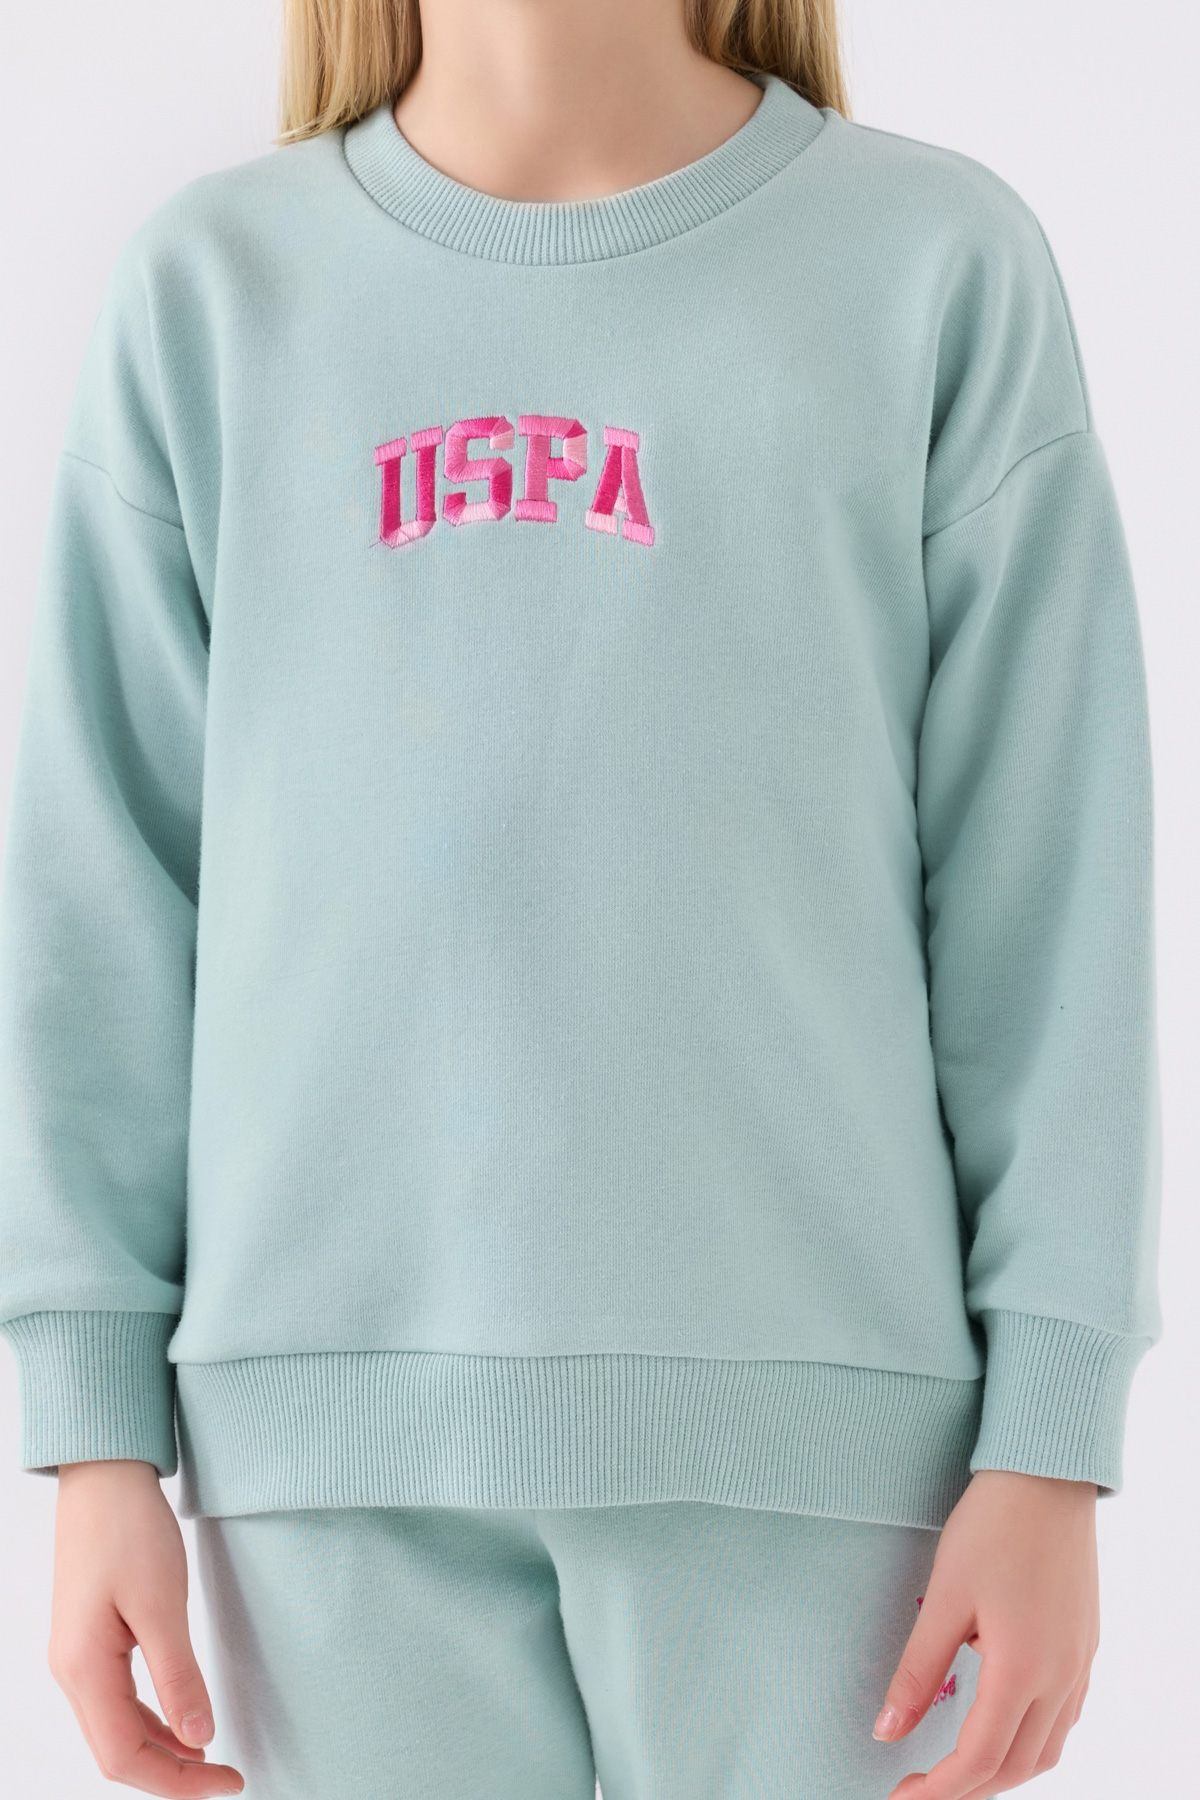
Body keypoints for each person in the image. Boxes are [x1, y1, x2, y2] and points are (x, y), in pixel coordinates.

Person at [0, 2, 1162, 1796]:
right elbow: (106, 904)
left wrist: (1052, 1439)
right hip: (328, 1468)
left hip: (834, 1470)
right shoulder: (210, 292)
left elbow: (1051, 893)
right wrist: (93, 1441)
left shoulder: (933, 266)